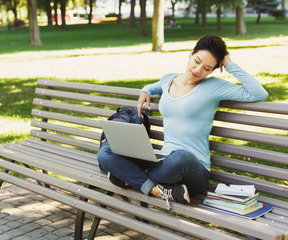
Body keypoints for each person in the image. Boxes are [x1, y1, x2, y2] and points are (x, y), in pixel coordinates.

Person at [97, 35, 268, 209]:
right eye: (197, 61)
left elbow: (258, 93)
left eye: (207, 68)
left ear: (212, 71)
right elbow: (152, 87)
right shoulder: (169, 79)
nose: (198, 69)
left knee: (180, 157)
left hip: (193, 170)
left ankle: (129, 178)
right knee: (106, 153)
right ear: (191, 54)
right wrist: (144, 91)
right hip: (163, 162)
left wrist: (229, 63)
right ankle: (158, 190)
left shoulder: (215, 87)